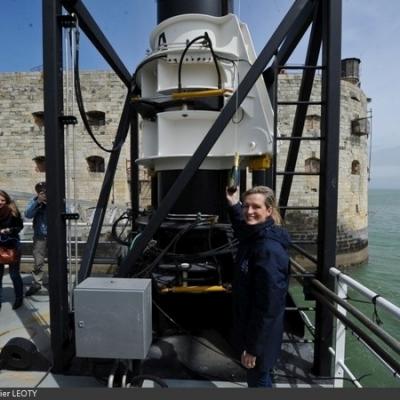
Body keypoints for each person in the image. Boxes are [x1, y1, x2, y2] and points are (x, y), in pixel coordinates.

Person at [226, 185, 290, 388]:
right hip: (257, 333)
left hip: (260, 337)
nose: (249, 211)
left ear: (269, 210)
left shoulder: (267, 250)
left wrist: (253, 348)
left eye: (256, 207)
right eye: (246, 206)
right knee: (261, 376)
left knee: (258, 379)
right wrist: (234, 203)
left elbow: (268, 307)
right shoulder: (256, 234)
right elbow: (242, 226)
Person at [0, 190, 24, 310]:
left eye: (3, 200)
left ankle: (19, 298)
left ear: (7, 200)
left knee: (14, 275)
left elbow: (20, 226)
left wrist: (9, 230)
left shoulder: (13, 211)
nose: (0, 202)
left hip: (12, 245)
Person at [24, 182, 48, 296]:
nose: (44, 194)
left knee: (58, 260)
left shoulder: (57, 200)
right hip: (40, 235)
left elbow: (67, 211)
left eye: (45, 191)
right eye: (41, 192)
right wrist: (38, 202)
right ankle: (37, 283)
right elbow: (28, 214)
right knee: (38, 261)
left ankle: (57, 282)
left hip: (56, 236)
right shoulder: (34, 201)